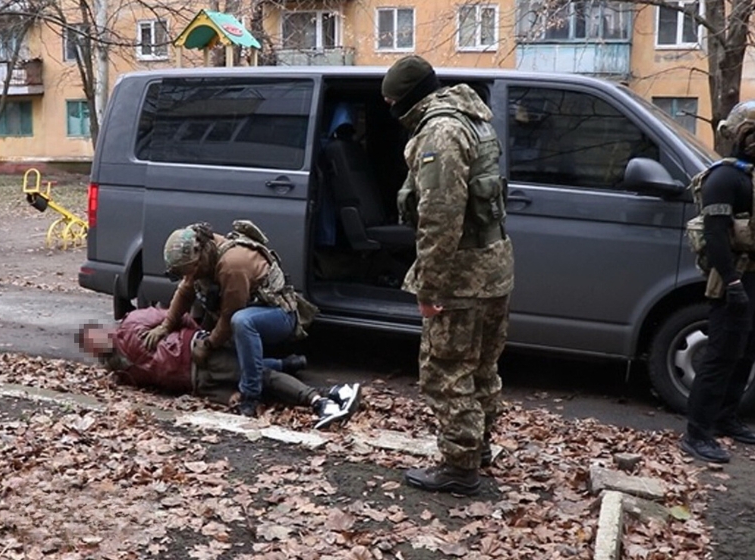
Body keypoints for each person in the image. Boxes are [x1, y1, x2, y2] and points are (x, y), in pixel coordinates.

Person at [382, 55, 515, 495]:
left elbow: (440, 217)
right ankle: (476, 449)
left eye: (393, 101)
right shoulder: (473, 118)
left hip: (461, 277)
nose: (390, 110)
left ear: (408, 98)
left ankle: (460, 467)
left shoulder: (441, 131)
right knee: (481, 369)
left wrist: (429, 286)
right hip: (493, 267)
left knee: (447, 370)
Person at [681, 100, 755, 463]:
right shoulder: (723, 178)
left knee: (747, 352)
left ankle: (724, 418)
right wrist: (732, 284)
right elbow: (716, 236)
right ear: (750, 136)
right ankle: (697, 434)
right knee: (720, 356)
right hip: (736, 279)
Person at [141, 220, 319, 417]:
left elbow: (229, 315)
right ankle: (284, 364)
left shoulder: (231, 265)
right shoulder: (204, 255)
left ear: (200, 256)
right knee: (227, 360)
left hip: (278, 316)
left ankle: (251, 395)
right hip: (246, 313)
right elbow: (185, 292)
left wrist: (208, 344)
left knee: (242, 322)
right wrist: (165, 327)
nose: (189, 277)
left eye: (190, 271)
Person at [77, 306, 361, 429]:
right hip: (196, 383)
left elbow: (178, 316)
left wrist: (202, 340)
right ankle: (327, 391)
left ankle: (318, 401)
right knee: (258, 391)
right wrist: (222, 398)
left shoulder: (132, 323)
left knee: (259, 376)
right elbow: (155, 382)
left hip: (197, 356)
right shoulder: (120, 370)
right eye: (91, 346)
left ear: (102, 331)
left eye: (95, 338)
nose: (96, 345)